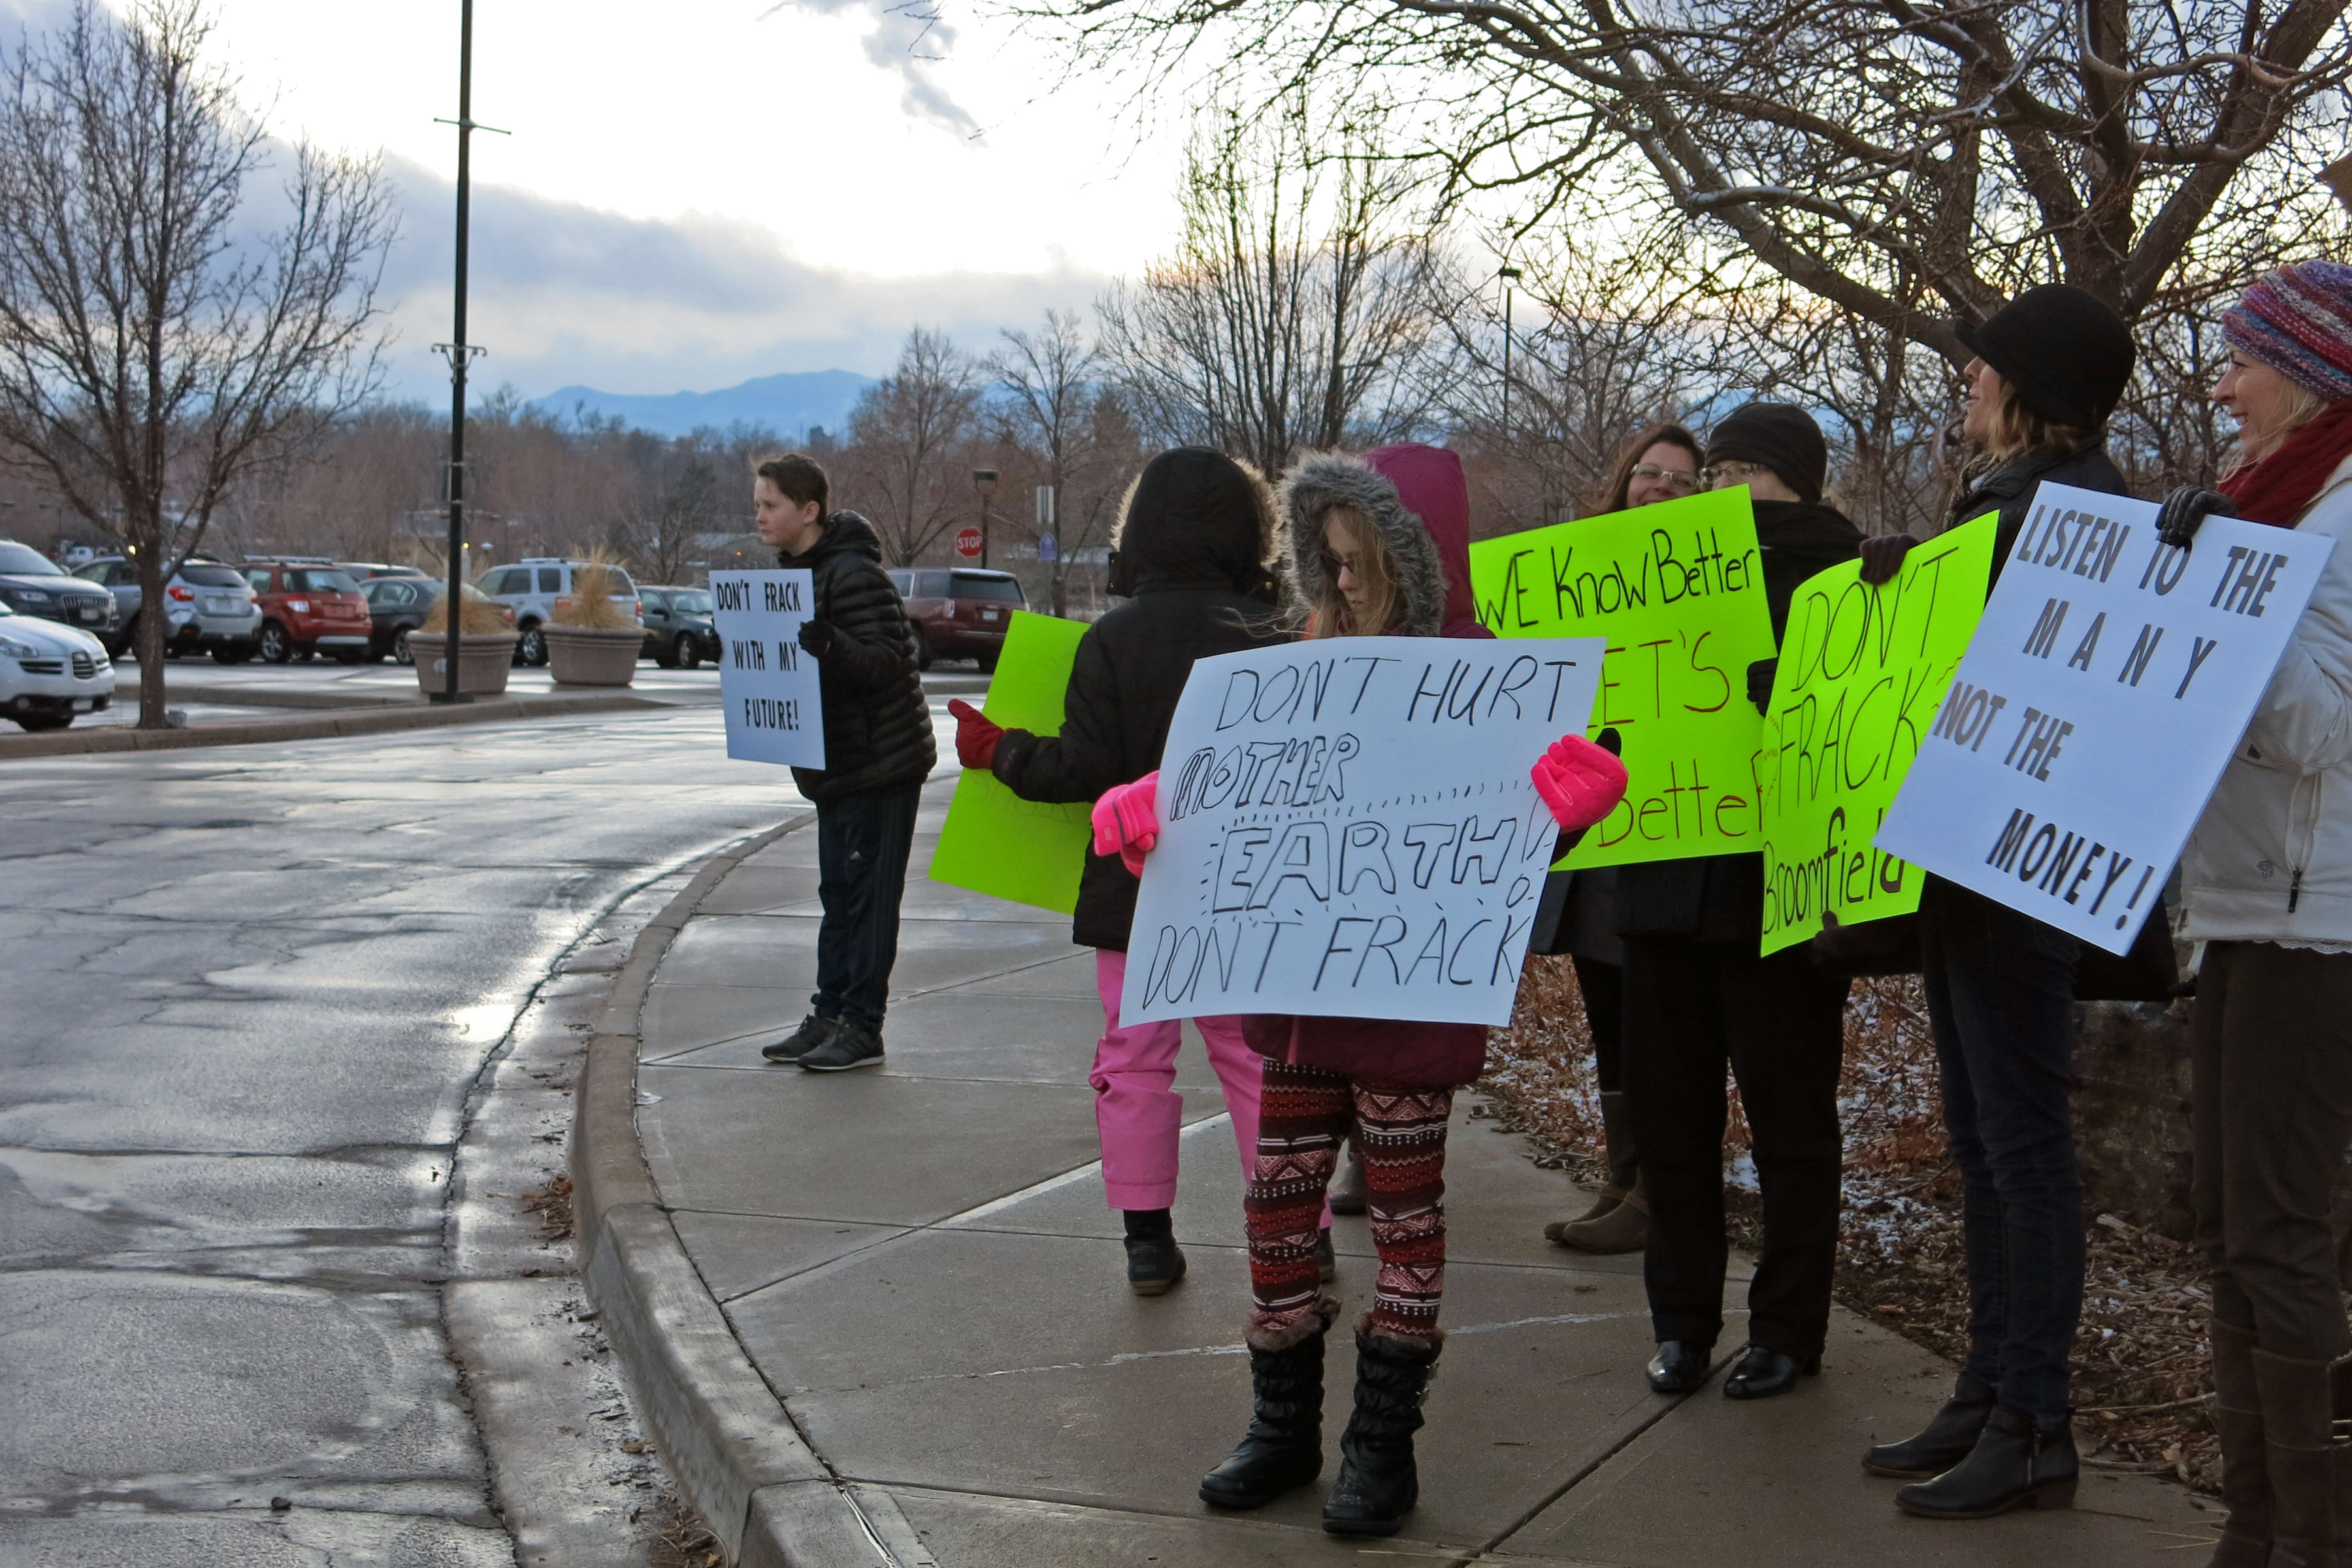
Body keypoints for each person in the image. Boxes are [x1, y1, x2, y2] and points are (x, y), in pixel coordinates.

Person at [1092, 442, 1628, 1538]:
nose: (1338, 581)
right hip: (1302, 1000)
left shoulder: (1482, 677)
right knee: (1277, 1209)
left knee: (1406, 1221)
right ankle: (1282, 1428)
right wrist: (1151, 806)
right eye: (1325, 559)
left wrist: (1573, 804)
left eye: (1356, 560)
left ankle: (1383, 1445)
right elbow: (1239, 788)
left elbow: (1509, 831)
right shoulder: (1303, 663)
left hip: (1406, 1005)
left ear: (1409, 557)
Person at [1852, 284, 2138, 1518]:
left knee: (2022, 1150)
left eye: (1984, 368)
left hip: (2013, 866)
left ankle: (2035, 1422)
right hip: (1966, 860)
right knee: (1984, 1141)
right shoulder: (2014, 502)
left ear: (2033, 393)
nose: (1966, 383)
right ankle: (1989, 1391)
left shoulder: (2062, 510)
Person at [945, 448, 1322, 1296]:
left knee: (1135, 1062)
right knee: (1255, 1061)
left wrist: (998, 750)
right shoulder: (1279, 636)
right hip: (1247, 893)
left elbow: (1079, 768)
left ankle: (1148, 1239)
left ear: (1142, 530)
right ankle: (1304, 1227)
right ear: (1248, 531)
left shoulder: (1112, 640)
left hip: (1135, 893)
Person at [2155, 259, 2352, 1568]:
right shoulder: (2271, 502)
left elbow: (2325, 730)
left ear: (2315, 370)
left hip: (2314, 918)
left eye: (2243, 359)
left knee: (2278, 1229)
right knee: (2226, 1220)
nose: (2222, 385)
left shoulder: (2338, 513)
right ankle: (2255, 1521)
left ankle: (2310, 1536)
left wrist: (2233, 588)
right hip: (2236, 905)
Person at [1619, 402, 1861, 1405]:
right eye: (1713, 471)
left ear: (1794, 483)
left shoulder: (1848, 576)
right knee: (1671, 1130)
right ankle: (1681, 1326)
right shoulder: (1659, 571)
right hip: (1665, 888)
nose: (1720, 489)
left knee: (1790, 1125)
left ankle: (1789, 1330)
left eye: (1743, 472)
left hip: (1778, 902)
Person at [1540, 421, 1705, 1256]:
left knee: (1650, 1013)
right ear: (1624, 479)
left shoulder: (1715, 585)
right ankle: (1622, 1175)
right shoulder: (1581, 573)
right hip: (1595, 823)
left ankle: (1652, 1188)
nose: (1662, 489)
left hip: (1670, 821)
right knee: (1605, 1004)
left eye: (1682, 481)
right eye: (1650, 473)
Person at [749, 453, 938, 1073]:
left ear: (809, 511)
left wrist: (830, 645)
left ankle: (863, 1026)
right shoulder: (797, 577)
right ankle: (829, 1014)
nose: (760, 515)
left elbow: (891, 661)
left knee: (868, 899)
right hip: (835, 766)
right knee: (838, 894)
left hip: (880, 765)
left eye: (771, 505)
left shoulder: (853, 575)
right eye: (758, 504)